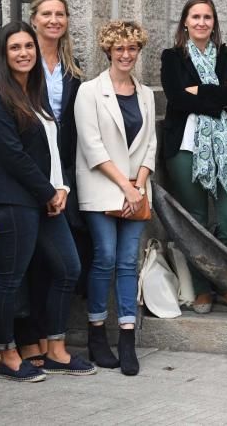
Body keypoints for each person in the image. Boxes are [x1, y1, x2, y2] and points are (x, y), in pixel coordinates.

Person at [0, 21, 94, 382]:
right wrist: (47, 192)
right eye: (15, 48)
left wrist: (60, 189)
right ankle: (9, 356)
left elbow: (51, 147)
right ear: (4, 54)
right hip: (13, 201)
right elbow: (12, 155)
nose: (24, 53)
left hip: (47, 199)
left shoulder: (36, 92)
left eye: (28, 46)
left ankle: (56, 350)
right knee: (9, 280)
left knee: (68, 268)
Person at [74, 20, 156, 376]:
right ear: (108, 51)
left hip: (135, 191)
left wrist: (137, 186)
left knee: (127, 263)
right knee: (105, 257)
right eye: (119, 48)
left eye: (132, 48)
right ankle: (96, 334)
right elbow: (91, 146)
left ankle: (126, 338)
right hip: (102, 188)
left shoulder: (146, 93)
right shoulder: (89, 91)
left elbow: (151, 143)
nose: (126, 54)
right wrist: (125, 186)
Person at [162, 0, 227, 312]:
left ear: (214, 23)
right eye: (195, 16)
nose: (201, 22)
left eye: (207, 17)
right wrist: (218, 96)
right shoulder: (172, 57)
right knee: (196, 222)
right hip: (184, 148)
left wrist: (198, 91)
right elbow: (176, 98)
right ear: (185, 22)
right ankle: (202, 289)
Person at [15, 0, 85, 367]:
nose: (54, 20)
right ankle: (29, 338)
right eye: (47, 14)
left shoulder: (73, 68)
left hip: (64, 170)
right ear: (35, 19)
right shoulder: (25, 62)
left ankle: (46, 335)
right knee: (29, 259)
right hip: (31, 168)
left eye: (60, 14)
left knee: (56, 259)